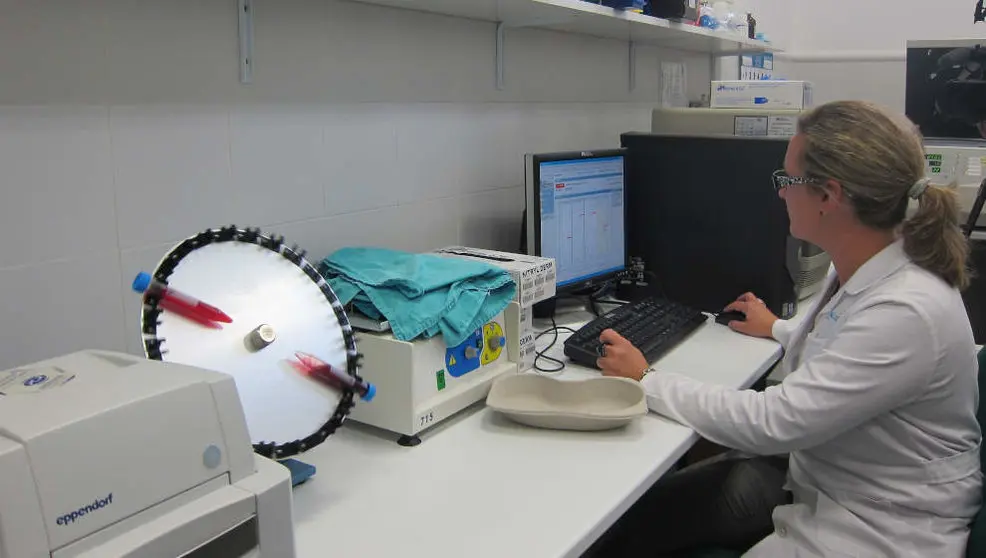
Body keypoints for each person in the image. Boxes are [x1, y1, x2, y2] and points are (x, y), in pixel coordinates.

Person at [592, 100, 983, 557]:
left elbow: (771, 423)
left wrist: (646, 380)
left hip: (880, 525)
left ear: (828, 196)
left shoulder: (906, 309)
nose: (779, 193)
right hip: (830, 479)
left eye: (787, 180)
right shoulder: (878, 259)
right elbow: (846, 352)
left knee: (645, 524)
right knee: (639, 520)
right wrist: (779, 328)